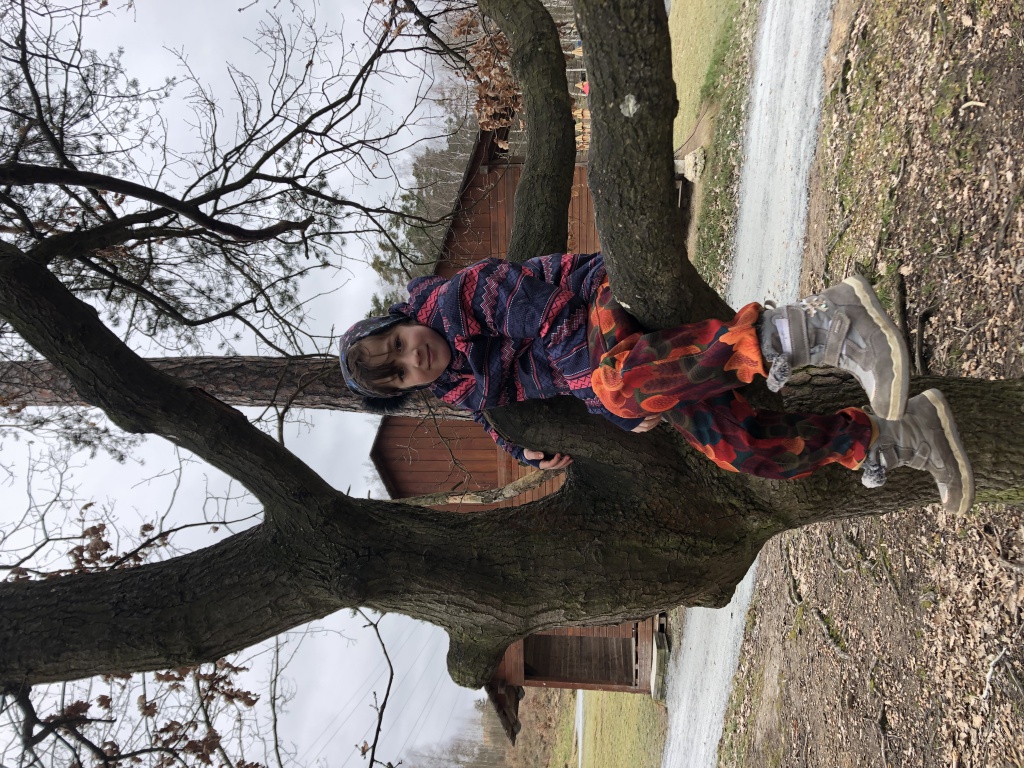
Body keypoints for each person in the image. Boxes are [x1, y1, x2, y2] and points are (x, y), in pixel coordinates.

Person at [339, 253, 974, 514]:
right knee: (740, 449)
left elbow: (557, 324)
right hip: (632, 369)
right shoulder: (460, 390)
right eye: (400, 373)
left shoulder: (459, 298)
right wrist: (522, 449)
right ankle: (896, 436)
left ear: (399, 320)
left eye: (396, 343)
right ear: (408, 390)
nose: (412, 357)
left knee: (615, 390)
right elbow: (491, 417)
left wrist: (607, 406)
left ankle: (821, 326)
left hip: (600, 298)